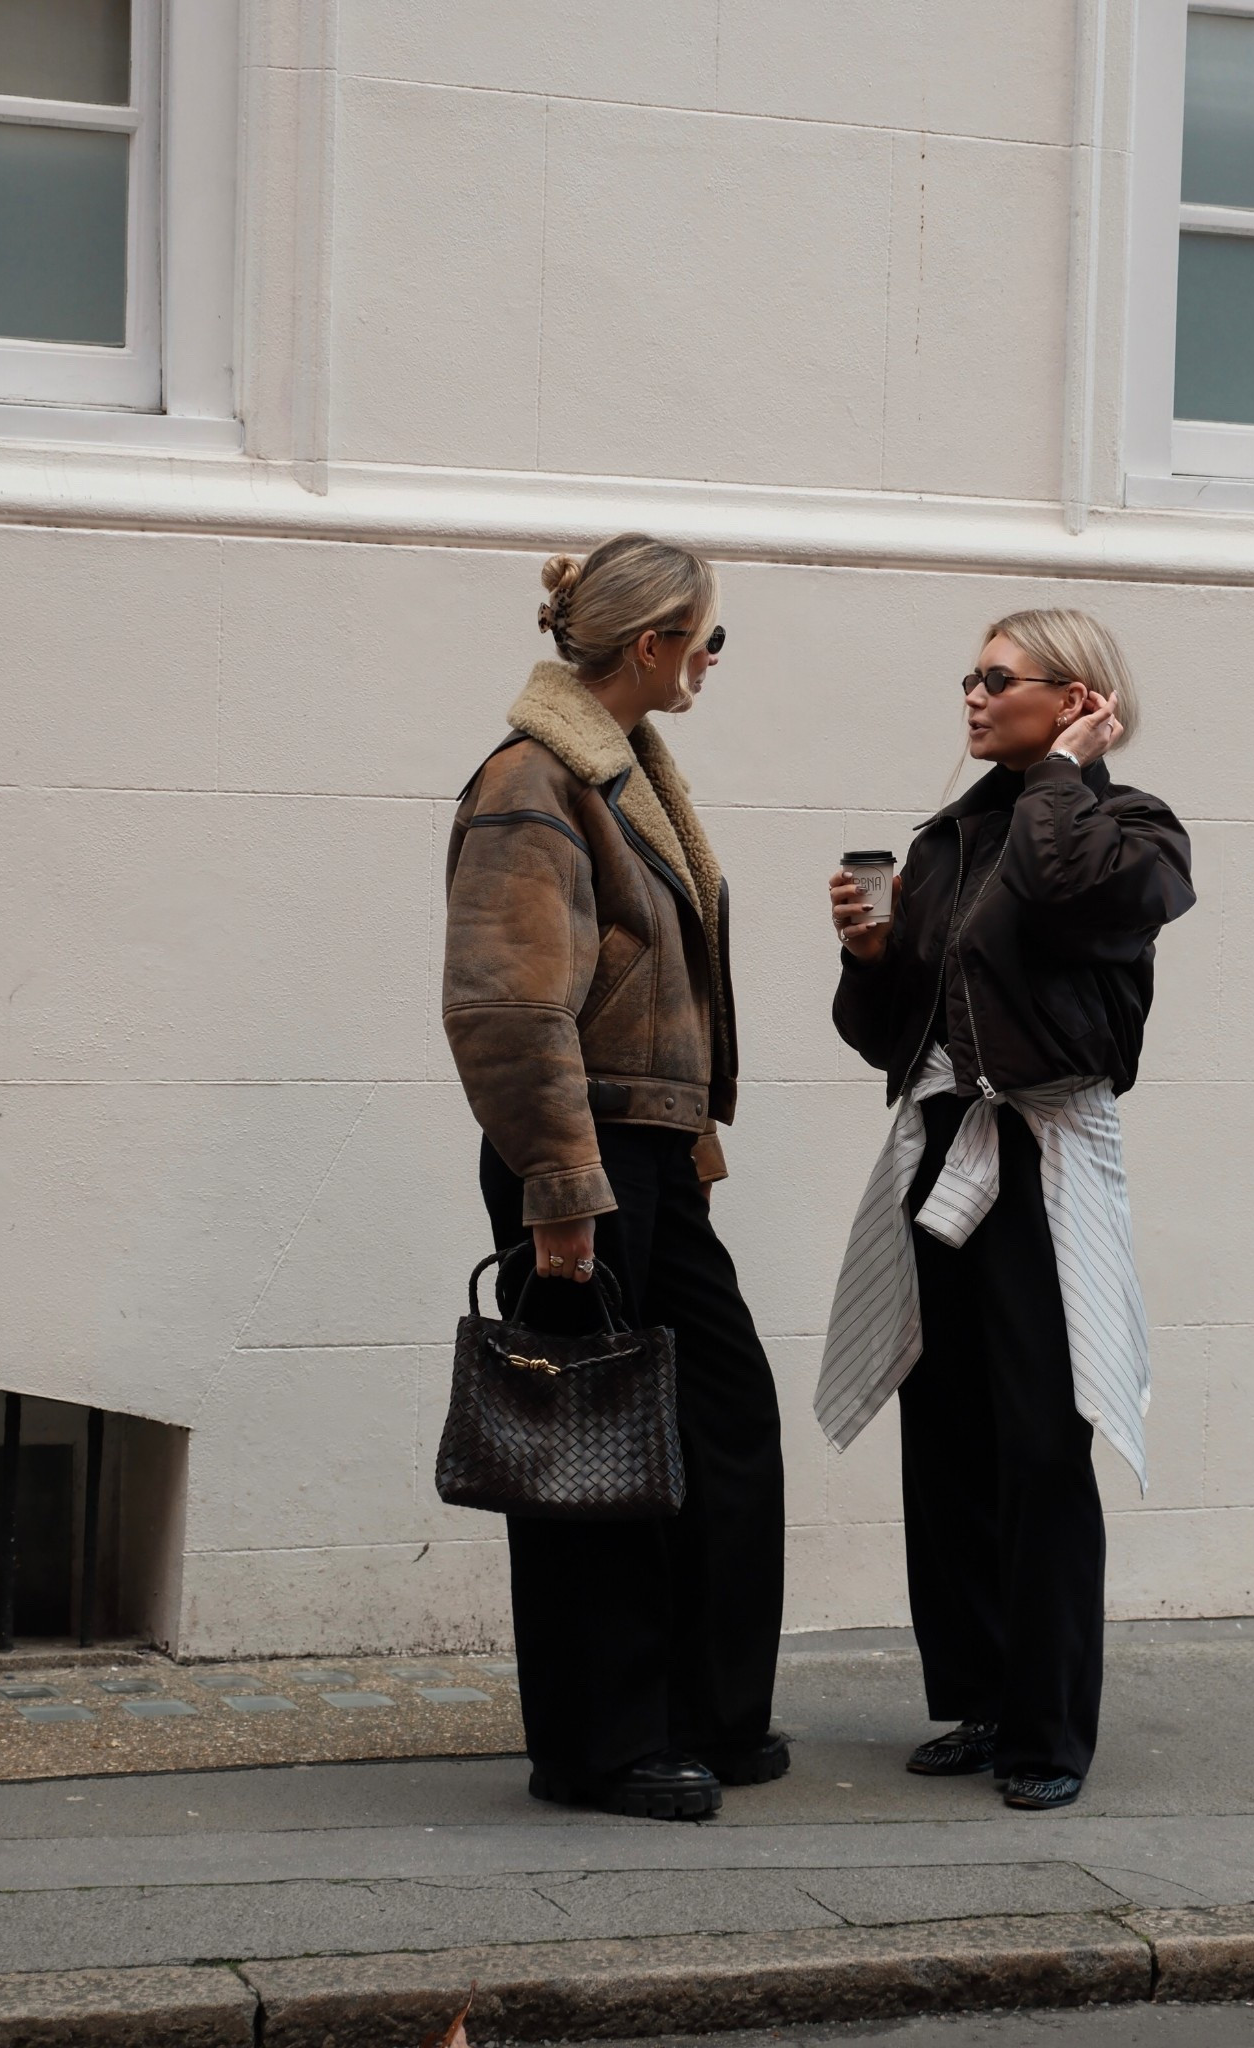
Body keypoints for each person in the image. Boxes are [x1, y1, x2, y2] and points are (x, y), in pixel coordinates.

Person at [816, 607, 1194, 1811]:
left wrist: (1069, 771)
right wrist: (869, 961)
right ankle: (980, 1697)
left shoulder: (1134, 831)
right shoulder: (947, 842)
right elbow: (886, 1039)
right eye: (967, 676)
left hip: (1040, 1152)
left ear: (1078, 695)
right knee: (952, 1433)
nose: (972, 696)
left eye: (999, 677)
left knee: (1040, 1440)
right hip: (941, 1144)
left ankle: (1049, 1725)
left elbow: (1069, 885)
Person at [442, 532, 786, 1821]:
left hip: (649, 1149)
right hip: (580, 1155)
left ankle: (702, 1708)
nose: (711, 658)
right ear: (651, 645)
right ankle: (599, 1745)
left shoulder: (627, 767)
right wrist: (565, 1195)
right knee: (589, 1449)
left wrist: (686, 1141)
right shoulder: (536, 779)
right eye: (707, 635)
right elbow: (506, 1007)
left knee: (721, 1422)